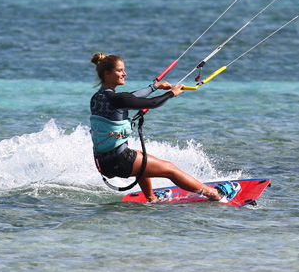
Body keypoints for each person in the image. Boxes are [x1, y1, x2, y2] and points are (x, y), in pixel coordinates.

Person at [89, 53, 234, 203]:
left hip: (104, 163)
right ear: (107, 73)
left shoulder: (97, 98)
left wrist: (155, 87)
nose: (124, 74)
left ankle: (151, 198)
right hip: (119, 161)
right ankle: (215, 194)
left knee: (143, 159)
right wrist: (171, 93)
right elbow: (150, 103)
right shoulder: (118, 99)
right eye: (120, 70)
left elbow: (132, 96)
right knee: (170, 169)